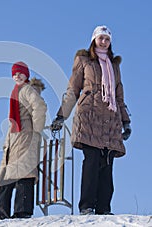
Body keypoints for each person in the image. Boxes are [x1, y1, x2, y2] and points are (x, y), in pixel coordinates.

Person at [51, 25, 131, 215]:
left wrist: (126, 121)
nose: (103, 41)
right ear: (94, 39)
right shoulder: (84, 61)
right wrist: (61, 115)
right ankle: (86, 206)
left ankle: (104, 207)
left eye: (107, 39)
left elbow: (119, 96)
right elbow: (73, 90)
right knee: (91, 161)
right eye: (100, 38)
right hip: (89, 117)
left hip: (110, 121)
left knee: (107, 164)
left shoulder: (114, 66)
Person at [0, 61, 47, 220]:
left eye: (20, 73)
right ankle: (0, 214)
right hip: (15, 138)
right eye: (14, 74)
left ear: (26, 75)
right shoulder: (17, 90)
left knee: (24, 173)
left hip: (24, 136)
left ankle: (21, 212)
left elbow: (39, 107)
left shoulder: (27, 90)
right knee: (8, 176)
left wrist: (36, 130)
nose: (17, 76)